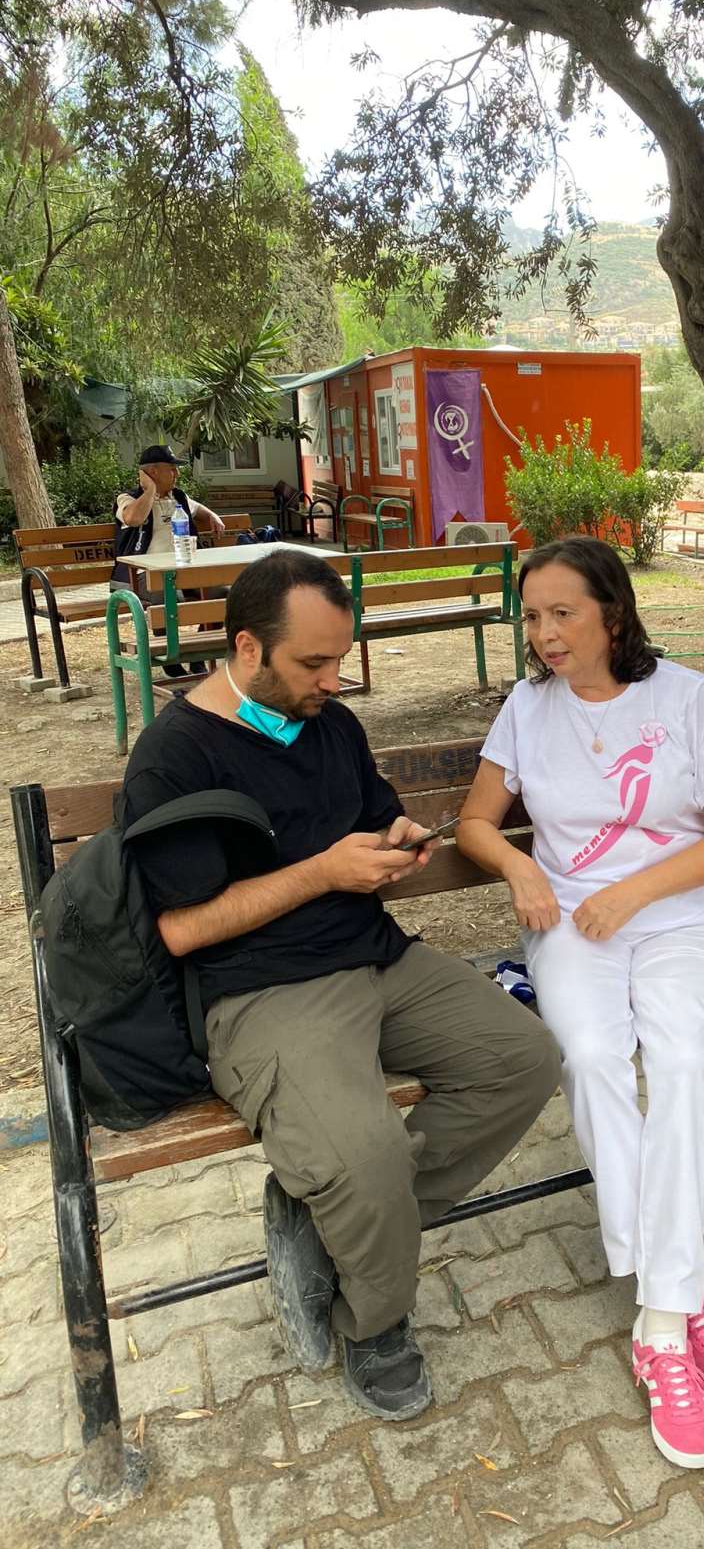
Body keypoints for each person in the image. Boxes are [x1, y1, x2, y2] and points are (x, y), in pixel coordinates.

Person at [119, 549, 561, 1421]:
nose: (332, 681)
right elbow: (180, 928)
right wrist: (323, 871)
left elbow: (374, 815)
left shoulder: (330, 724)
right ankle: (376, 1320)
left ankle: (335, 1217)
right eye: (313, 663)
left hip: (376, 956)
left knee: (524, 1059)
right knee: (364, 1156)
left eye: (340, 659)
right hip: (260, 992)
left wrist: (397, 839)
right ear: (248, 647)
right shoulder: (175, 757)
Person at [456, 536, 704, 1470]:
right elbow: (475, 822)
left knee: (682, 1061)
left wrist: (634, 892)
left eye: (564, 613)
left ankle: (660, 1324)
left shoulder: (686, 698)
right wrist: (520, 871)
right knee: (588, 1059)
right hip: (570, 927)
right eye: (532, 615)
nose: (544, 634)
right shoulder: (526, 708)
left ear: (613, 614)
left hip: (680, 923)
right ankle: (682, 1285)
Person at [111, 444, 228, 677]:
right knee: (167, 596)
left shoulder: (179, 497)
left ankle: (199, 654)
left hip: (184, 570)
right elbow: (134, 518)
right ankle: (170, 657)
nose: (177, 474)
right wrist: (150, 490)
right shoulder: (128, 499)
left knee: (223, 593)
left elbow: (197, 508)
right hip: (142, 574)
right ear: (152, 472)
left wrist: (212, 516)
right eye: (171, 469)